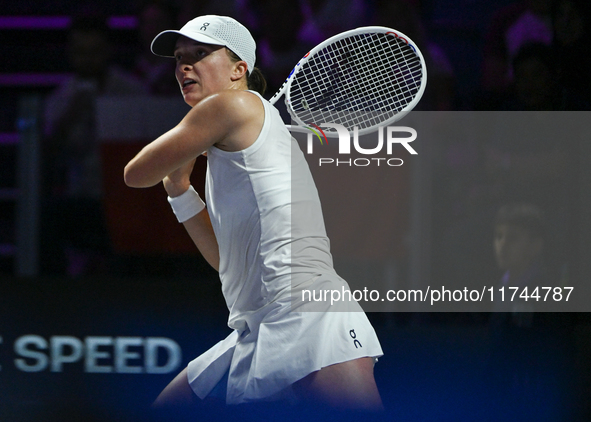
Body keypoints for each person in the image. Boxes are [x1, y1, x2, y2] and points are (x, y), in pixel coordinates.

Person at [123, 15, 383, 412]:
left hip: (307, 311)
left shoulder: (233, 105)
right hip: (255, 323)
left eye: (201, 53)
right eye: (179, 57)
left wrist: (178, 159)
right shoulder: (242, 128)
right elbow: (225, 262)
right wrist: (178, 189)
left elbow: (135, 174)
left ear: (238, 70)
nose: (184, 66)